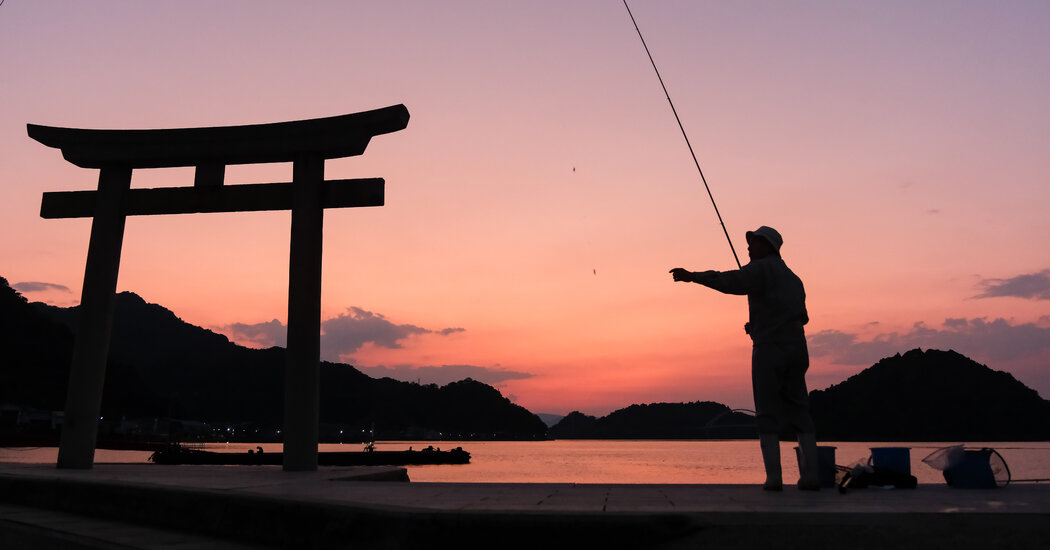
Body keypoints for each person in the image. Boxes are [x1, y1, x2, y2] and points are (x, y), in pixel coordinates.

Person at [669, 226, 820, 491]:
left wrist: (692, 276)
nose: (748, 248)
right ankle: (810, 477)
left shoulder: (760, 270)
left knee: (766, 410)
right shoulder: (795, 279)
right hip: (797, 348)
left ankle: (774, 479)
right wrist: (762, 322)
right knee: (800, 409)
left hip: (770, 348)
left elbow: (730, 282)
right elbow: (802, 316)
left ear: (768, 246)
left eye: (754, 243)